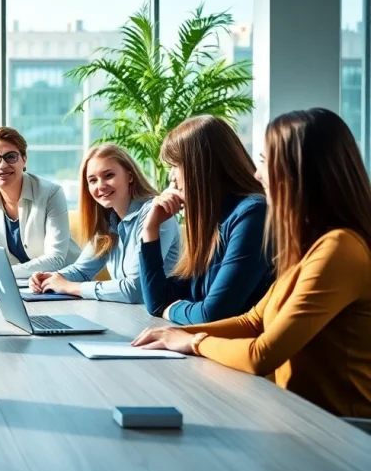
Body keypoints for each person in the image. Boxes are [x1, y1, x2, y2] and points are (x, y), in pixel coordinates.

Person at [133, 108, 371, 417]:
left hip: (347, 430)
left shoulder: (340, 249)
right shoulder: (309, 246)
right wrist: (174, 336)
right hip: (303, 415)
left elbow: (262, 353)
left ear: (299, 172)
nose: (258, 174)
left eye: (265, 162)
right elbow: (252, 321)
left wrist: (193, 341)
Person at [138, 115, 274, 324]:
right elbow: (157, 302)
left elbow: (214, 314)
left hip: (242, 351)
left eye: (175, 166)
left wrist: (172, 310)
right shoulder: (212, 219)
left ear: (200, 168)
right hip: (215, 349)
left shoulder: (253, 214)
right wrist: (150, 230)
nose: (172, 178)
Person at [30, 144, 181, 303]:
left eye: (108, 175)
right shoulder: (109, 222)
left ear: (130, 176)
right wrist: (51, 278)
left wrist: (70, 287)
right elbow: (82, 270)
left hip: (162, 319)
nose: (100, 186)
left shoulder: (156, 215)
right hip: (128, 315)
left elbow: (135, 290)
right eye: (92, 180)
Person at [0, 127, 79, 281]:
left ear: (24, 159)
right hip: (21, 285)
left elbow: (55, 259)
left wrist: (3, 272)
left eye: (10, 157)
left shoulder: (51, 193)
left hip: (63, 283)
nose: (2, 165)